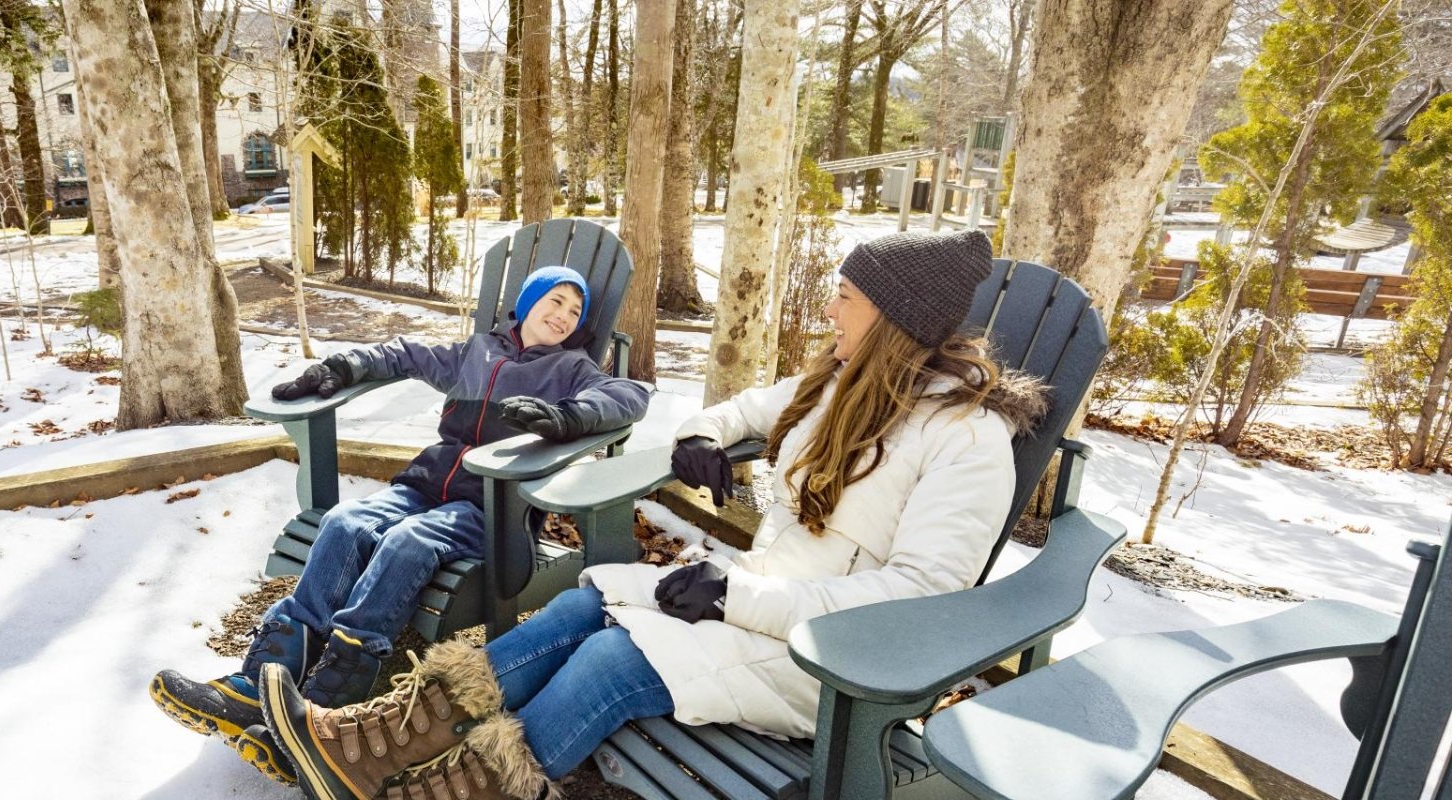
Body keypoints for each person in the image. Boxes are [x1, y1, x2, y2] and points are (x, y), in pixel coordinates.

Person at [257, 230, 1049, 800]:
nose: (830, 312)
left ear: (893, 318)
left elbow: (919, 598)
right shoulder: (844, 387)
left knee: (613, 661)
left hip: (838, 661)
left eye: (845, 298)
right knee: (586, 601)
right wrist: (704, 437)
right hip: (761, 602)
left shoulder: (966, 438)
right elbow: (739, 410)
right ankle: (373, 747)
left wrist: (738, 597)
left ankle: (462, 788)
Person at [151, 266, 652, 785]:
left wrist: (568, 416)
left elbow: (630, 395)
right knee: (346, 522)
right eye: (557, 300)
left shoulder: (571, 369)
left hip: (490, 504)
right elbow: (403, 352)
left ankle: (327, 703)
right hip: (424, 484)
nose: (565, 316)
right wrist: (342, 366)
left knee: (406, 541)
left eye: (576, 311)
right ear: (526, 305)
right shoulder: (476, 353)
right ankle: (257, 681)